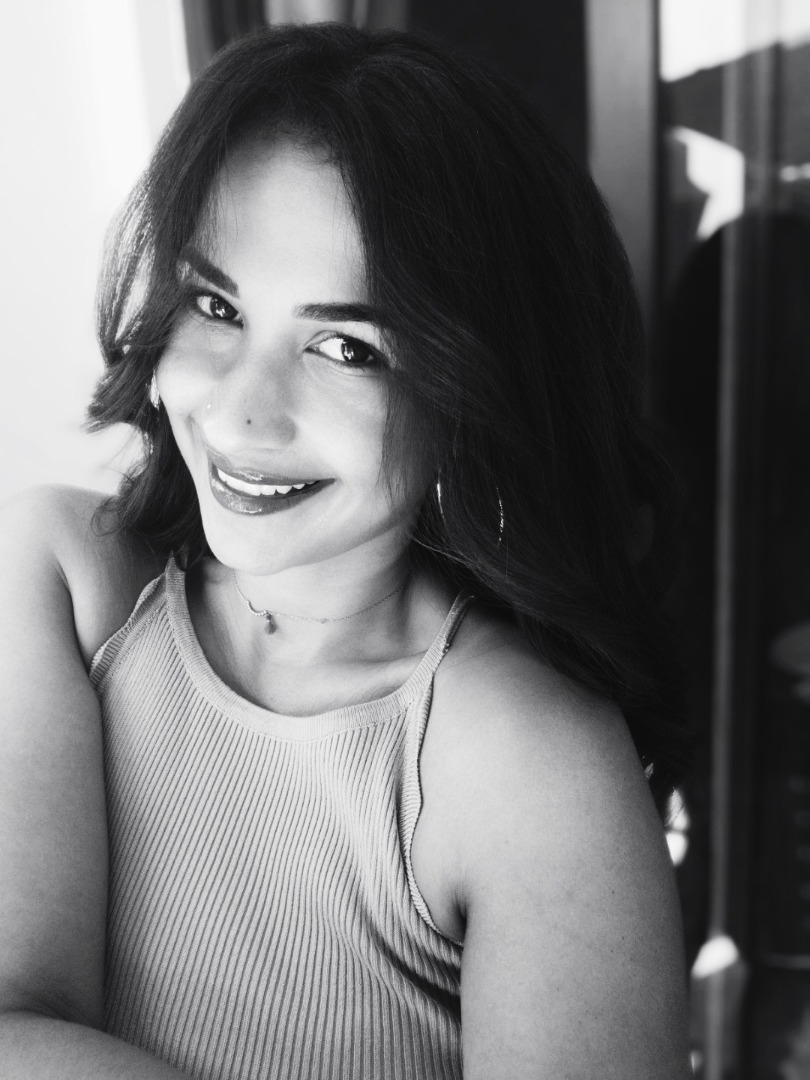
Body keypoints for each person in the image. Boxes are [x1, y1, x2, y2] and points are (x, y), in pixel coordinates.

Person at [0, 22, 692, 1080]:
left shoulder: (529, 765)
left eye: (346, 347)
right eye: (216, 305)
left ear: (477, 395)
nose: (241, 410)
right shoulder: (62, 579)